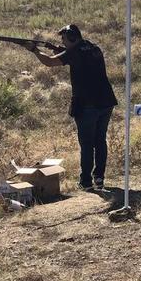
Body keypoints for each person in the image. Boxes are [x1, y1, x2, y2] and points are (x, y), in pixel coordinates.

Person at [23, 24, 118, 190]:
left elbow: (50, 62)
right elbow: (74, 55)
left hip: (87, 105)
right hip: (106, 101)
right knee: (100, 141)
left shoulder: (74, 52)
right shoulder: (93, 47)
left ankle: (86, 182)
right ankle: (99, 178)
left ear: (72, 39)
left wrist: (35, 51)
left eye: (64, 40)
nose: (63, 42)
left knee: (87, 144)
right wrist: (57, 48)